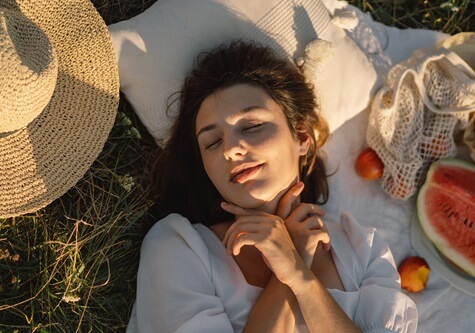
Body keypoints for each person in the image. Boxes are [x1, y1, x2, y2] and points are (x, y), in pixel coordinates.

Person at [126, 40, 418, 333]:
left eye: (251, 126)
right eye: (212, 142)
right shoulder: (179, 248)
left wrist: (299, 276)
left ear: (302, 136)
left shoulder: (361, 248)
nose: (230, 150)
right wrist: (292, 264)